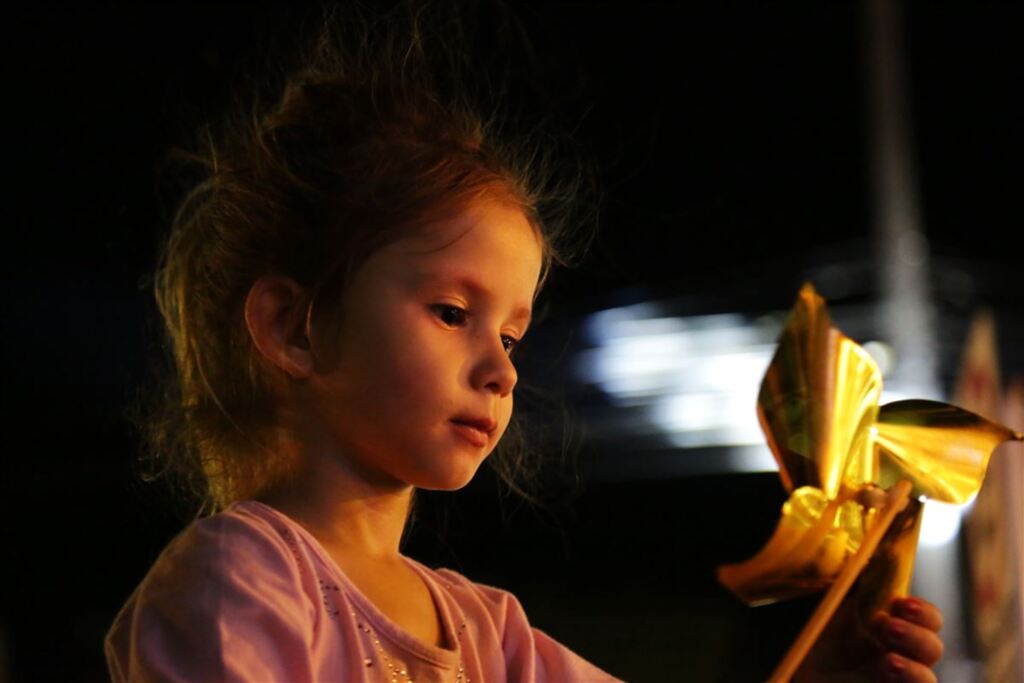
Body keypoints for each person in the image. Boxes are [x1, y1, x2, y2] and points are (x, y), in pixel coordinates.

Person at [106, 5, 944, 681]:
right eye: (449, 311)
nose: (501, 368)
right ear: (294, 326)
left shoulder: (490, 633)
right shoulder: (240, 579)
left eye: (510, 332)